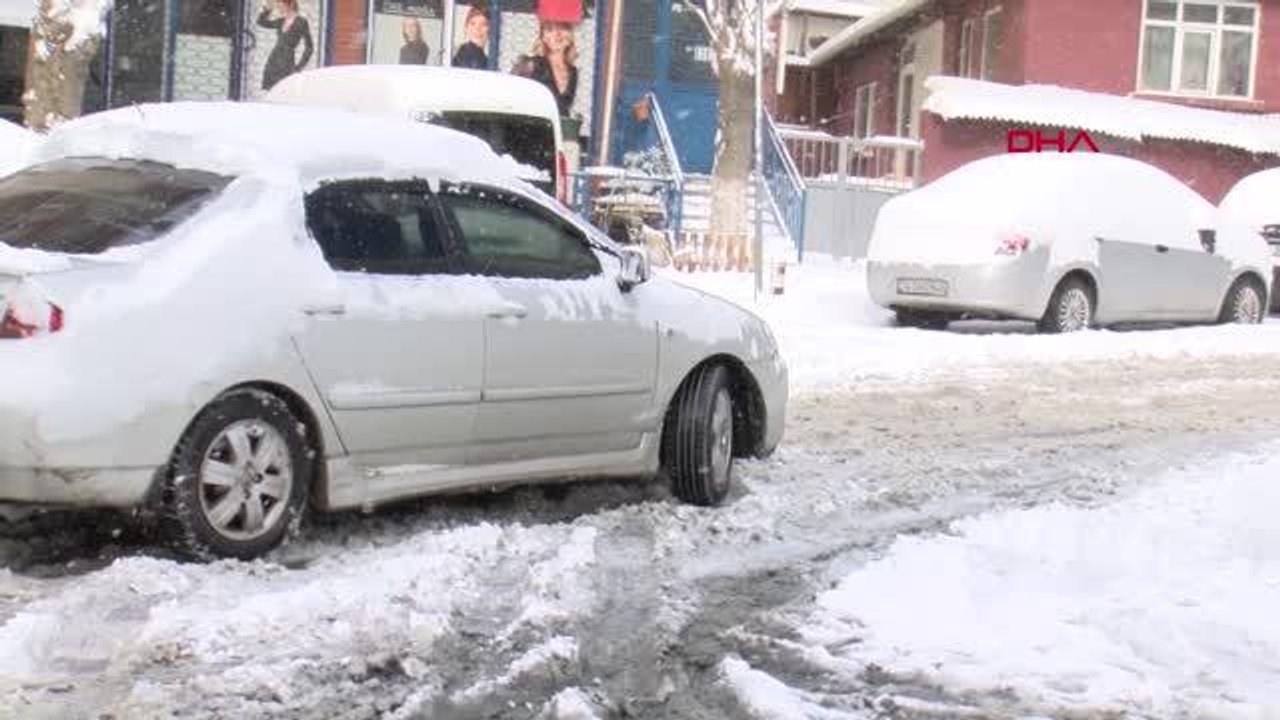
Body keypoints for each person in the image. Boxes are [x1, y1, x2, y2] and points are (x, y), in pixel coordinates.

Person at [513, 20, 578, 118]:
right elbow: (512, 96)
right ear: (543, 38)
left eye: (563, 28)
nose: (557, 35)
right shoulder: (531, 64)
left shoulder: (573, 72)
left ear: (570, 36)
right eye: (550, 30)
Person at [258, 0, 314, 91]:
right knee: (271, 91)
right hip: (273, 60)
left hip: (287, 63)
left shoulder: (301, 22)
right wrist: (267, 9)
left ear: (290, 5)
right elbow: (261, 22)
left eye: (281, 5)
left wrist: (299, 67)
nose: (279, 8)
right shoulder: (281, 21)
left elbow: (309, 47)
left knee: (285, 90)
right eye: (278, 6)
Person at [452, 5, 490, 70]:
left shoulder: (485, 59)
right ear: (466, 28)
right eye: (473, 24)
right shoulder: (466, 55)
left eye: (483, 24)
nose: (477, 29)